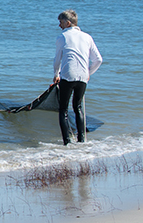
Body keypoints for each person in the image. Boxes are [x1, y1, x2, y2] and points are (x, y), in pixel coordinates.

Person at [53, 9, 102, 145]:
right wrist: (88, 73)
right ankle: (82, 140)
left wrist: (56, 74)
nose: (59, 25)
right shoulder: (87, 37)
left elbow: (57, 59)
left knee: (63, 109)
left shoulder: (62, 37)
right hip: (82, 76)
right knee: (78, 107)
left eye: (61, 22)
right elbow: (98, 60)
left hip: (68, 75)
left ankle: (67, 142)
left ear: (68, 23)